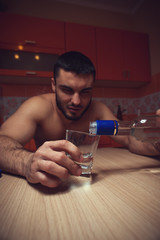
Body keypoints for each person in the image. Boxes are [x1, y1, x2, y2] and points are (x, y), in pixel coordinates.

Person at [0, 51, 159, 188]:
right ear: (54, 85)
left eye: (85, 92)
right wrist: (27, 162)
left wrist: (157, 145)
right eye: (67, 90)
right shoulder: (37, 107)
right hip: (48, 186)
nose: (76, 101)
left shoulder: (98, 110)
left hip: (84, 184)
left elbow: (130, 138)